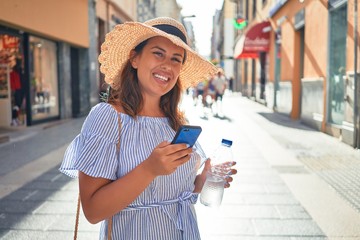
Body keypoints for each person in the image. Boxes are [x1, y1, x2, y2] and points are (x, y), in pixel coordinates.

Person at [59, 17, 237, 240]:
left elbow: (169, 191)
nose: (167, 65)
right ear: (134, 58)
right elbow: (93, 211)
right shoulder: (107, 117)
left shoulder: (176, 122)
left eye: (176, 59)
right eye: (158, 53)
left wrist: (200, 182)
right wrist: (149, 169)